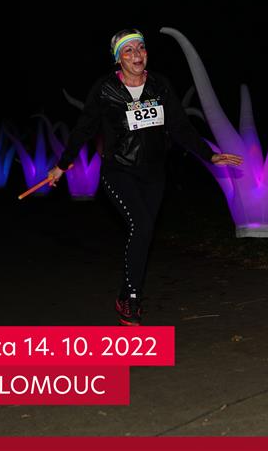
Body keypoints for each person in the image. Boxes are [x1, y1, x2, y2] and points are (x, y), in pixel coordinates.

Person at [48, 28, 242, 326]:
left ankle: (124, 294)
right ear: (118, 59)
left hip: (154, 173)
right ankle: (132, 300)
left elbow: (179, 126)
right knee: (141, 225)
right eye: (129, 50)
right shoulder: (105, 89)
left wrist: (209, 155)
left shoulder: (159, 85)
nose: (137, 54)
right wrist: (62, 165)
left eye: (141, 48)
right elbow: (84, 128)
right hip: (118, 171)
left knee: (144, 231)